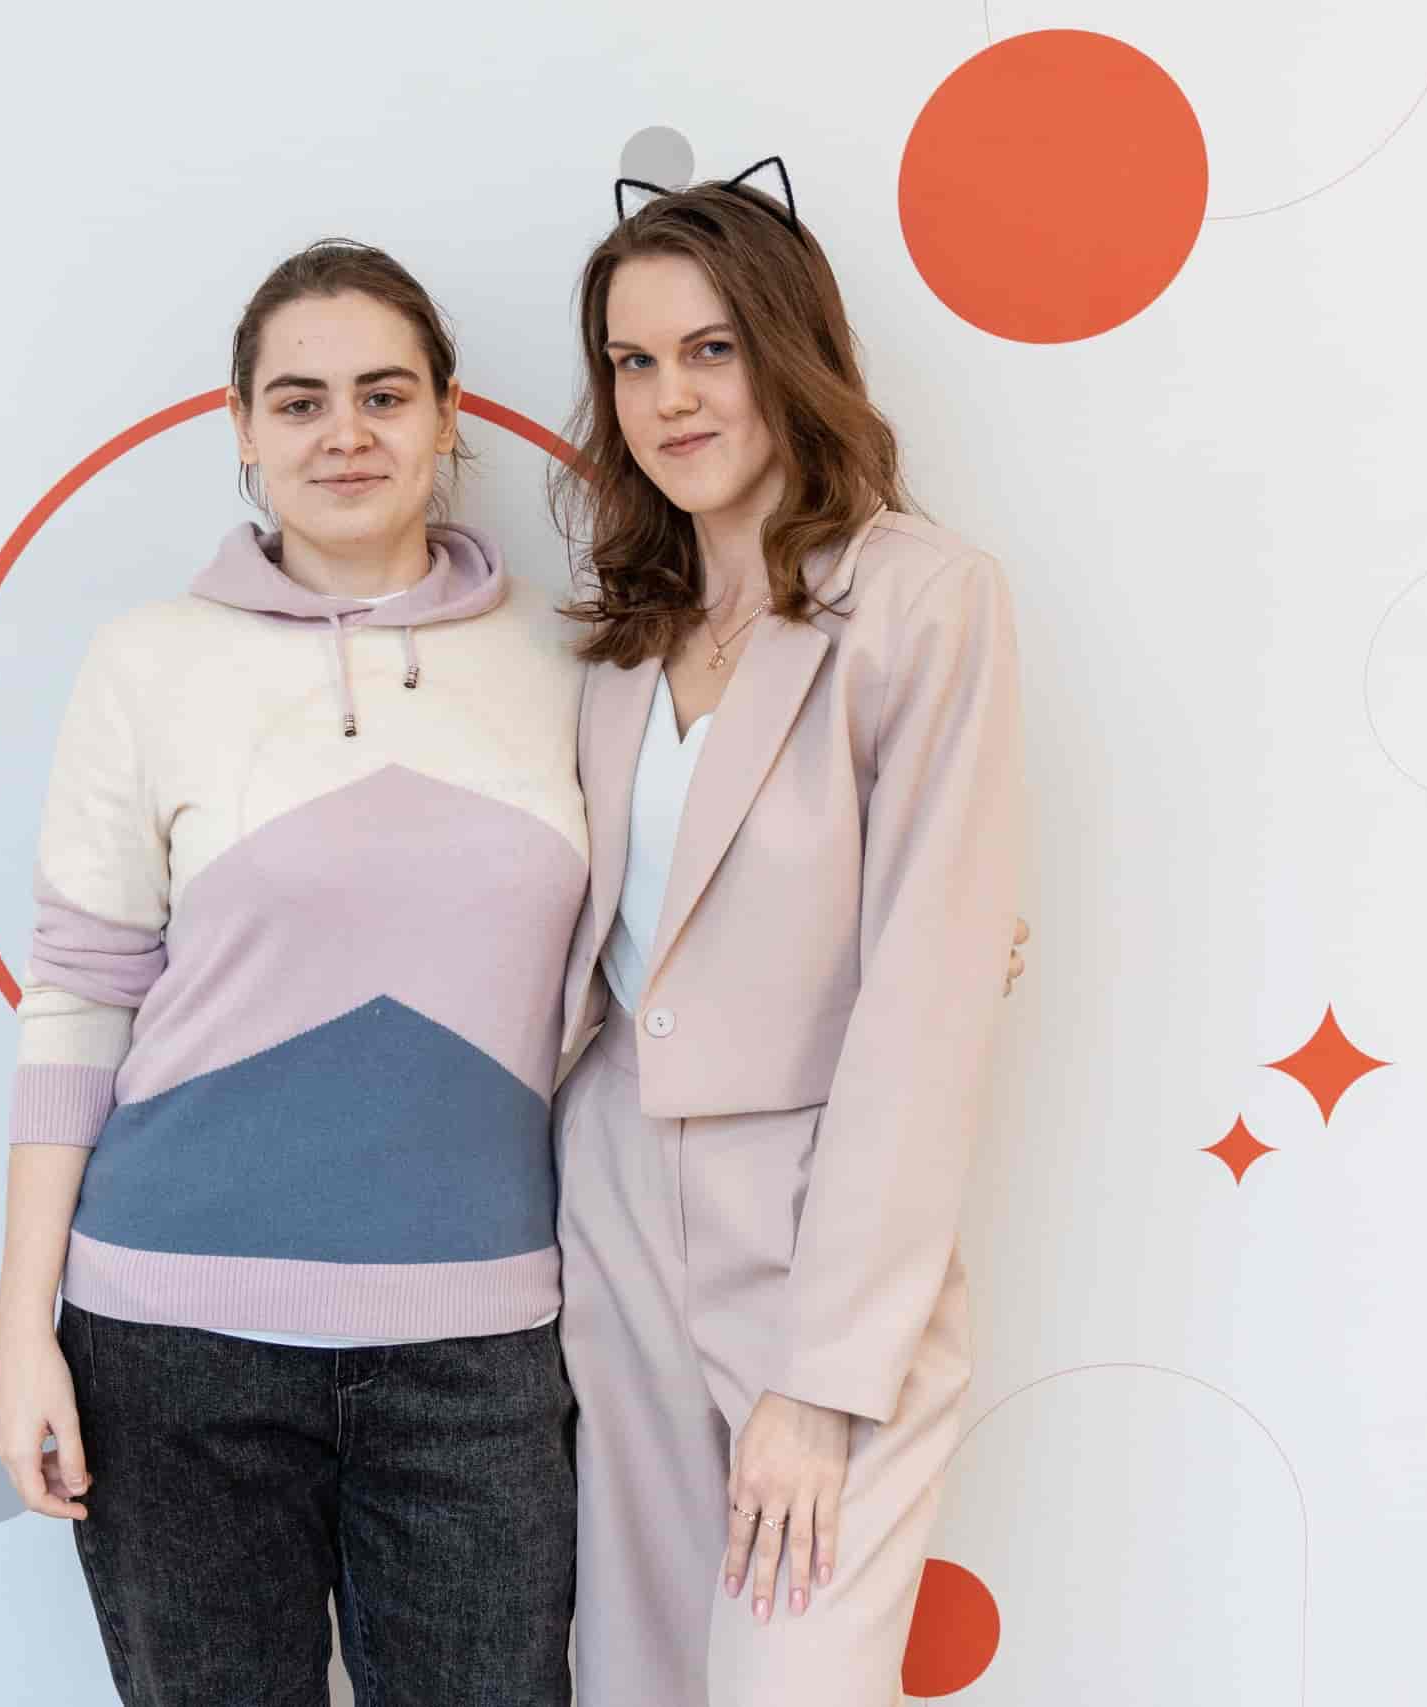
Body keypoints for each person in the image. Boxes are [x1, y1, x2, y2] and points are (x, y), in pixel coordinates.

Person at [0, 239, 583, 1707]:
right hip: (170, 1344)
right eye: (300, 401)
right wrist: (21, 1334)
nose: (345, 433)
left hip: (480, 1350)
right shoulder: (148, 663)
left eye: (386, 394)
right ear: (242, 429)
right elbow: (81, 993)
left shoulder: (573, 656)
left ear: (450, 415)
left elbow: (680, 909)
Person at [549, 159, 1025, 1705]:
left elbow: (927, 1004)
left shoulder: (924, 600)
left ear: (788, 349)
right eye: (634, 361)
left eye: (712, 349)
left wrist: (824, 1378)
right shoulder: (618, 642)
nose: (671, 398)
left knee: (791, 1678)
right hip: (612, 1207)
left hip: (819, 1222)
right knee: (635, 1680)